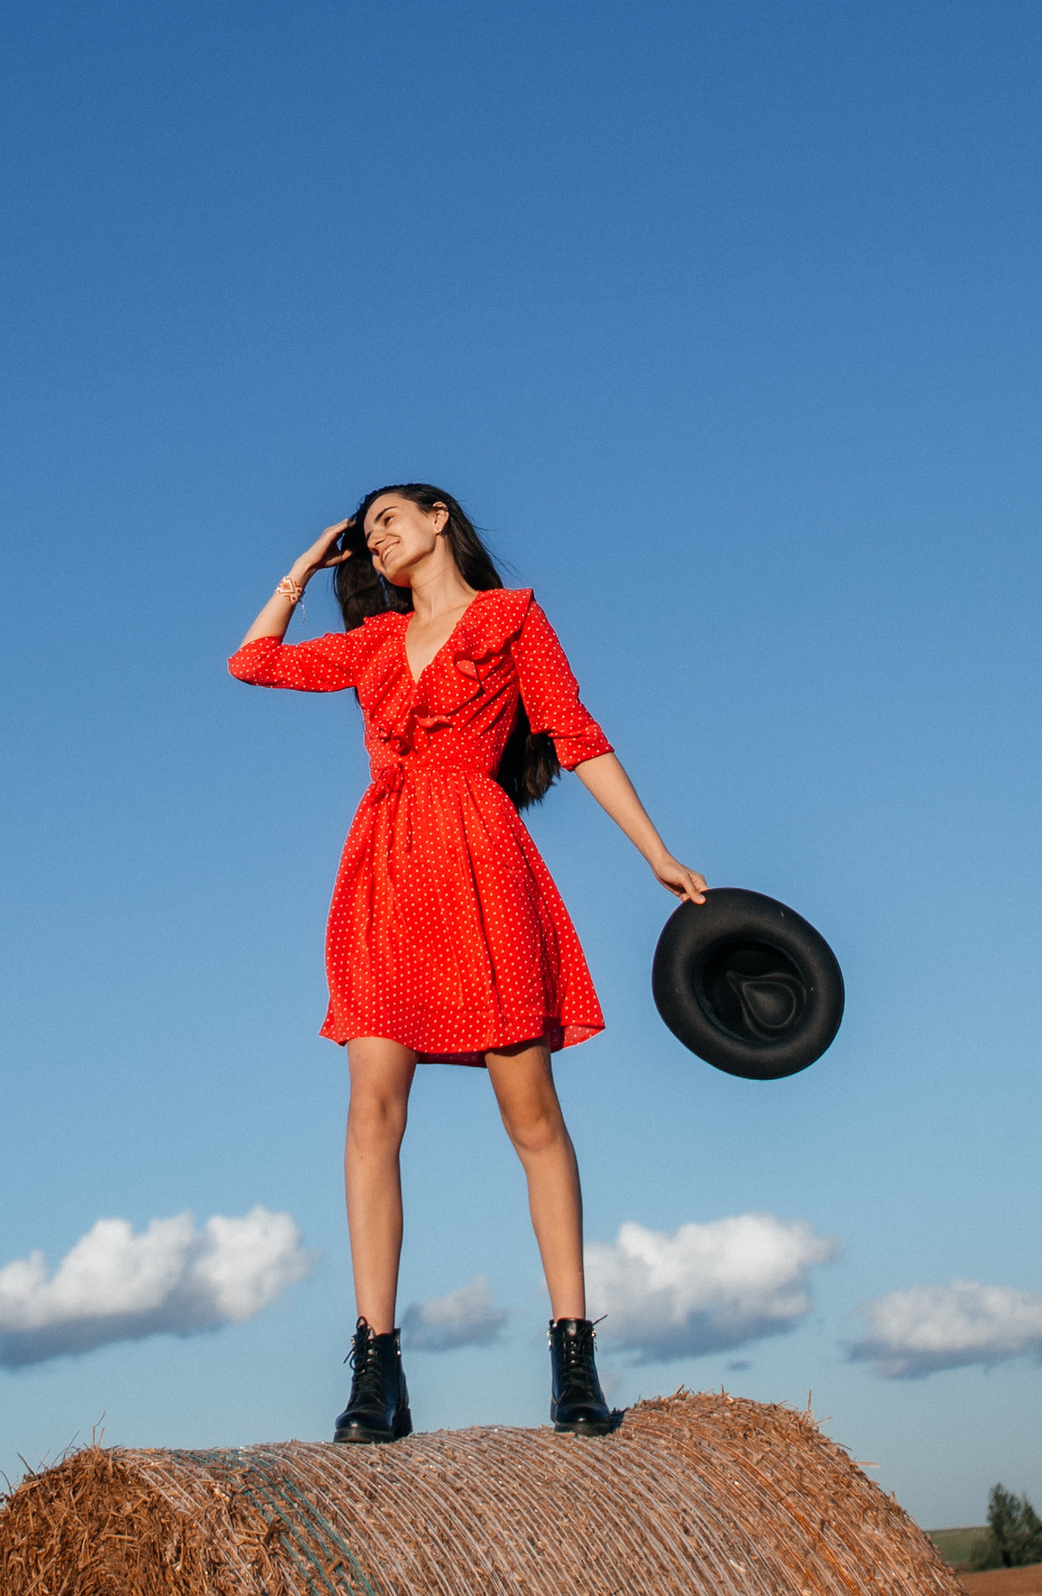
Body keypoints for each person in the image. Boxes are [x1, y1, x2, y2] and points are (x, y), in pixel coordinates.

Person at [232, 485, 706, 1445]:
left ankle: (574, 1355)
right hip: (385, 870)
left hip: (481, 861)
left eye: (389, 519)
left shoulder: (511, 618)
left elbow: (575, 733)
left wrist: (655, 852)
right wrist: (301, 568)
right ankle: (377, 1364)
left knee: (530, 1113)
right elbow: (253, 660)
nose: (375, 538)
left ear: (442, 516)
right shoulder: (371, 643)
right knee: (372, 1106)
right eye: (364, 535)